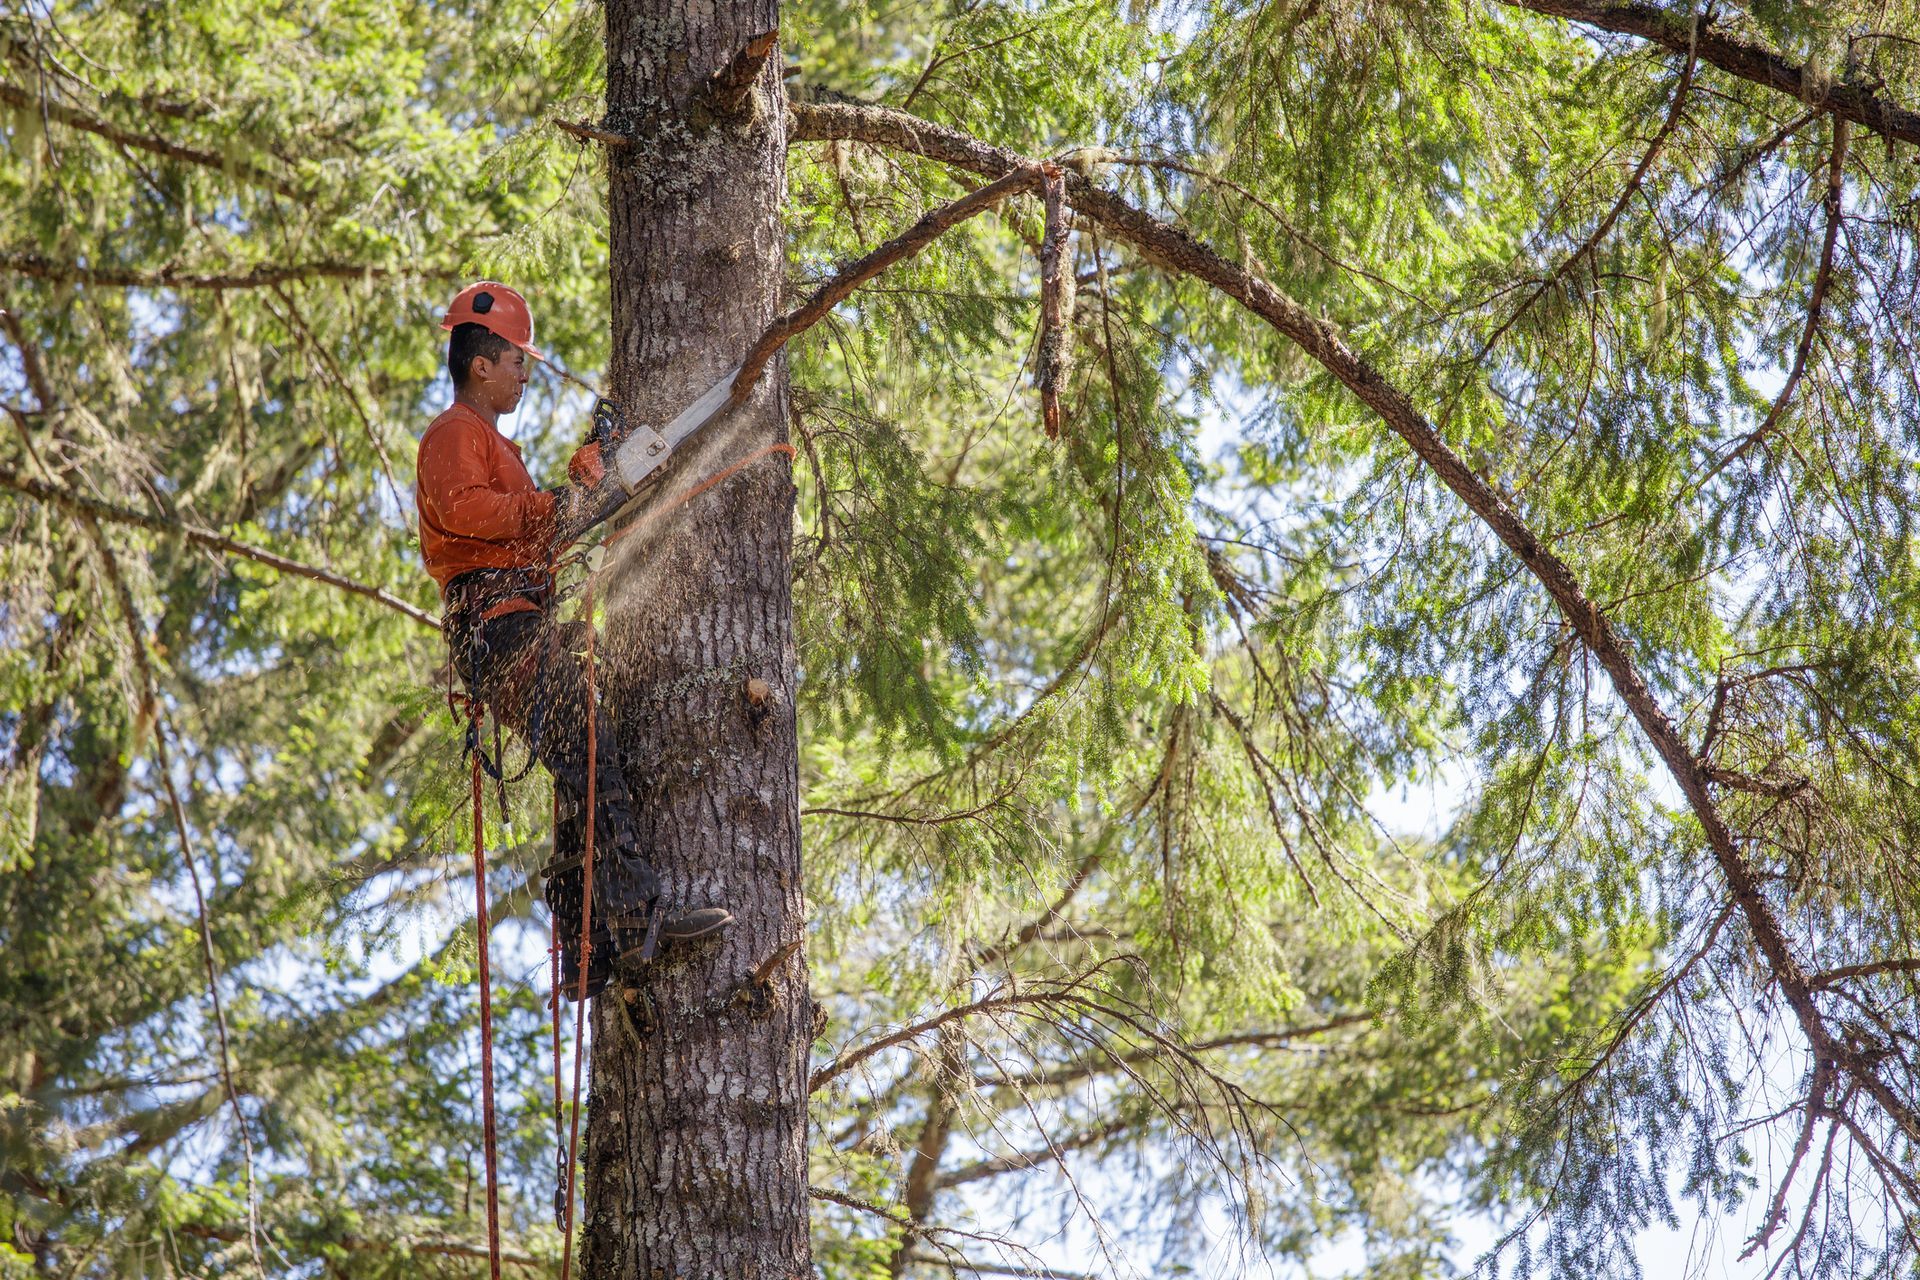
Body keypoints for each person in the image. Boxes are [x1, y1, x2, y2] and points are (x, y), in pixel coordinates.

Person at [415, 281, 731, 1000]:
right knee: (588, 751)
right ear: (480, 366)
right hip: (498, 628)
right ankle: (633, 917)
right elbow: (470, 512)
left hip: (510, 623)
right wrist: (558, 504)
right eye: (516, 362)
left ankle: (585, 952)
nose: (526, 374)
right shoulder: (455, 434)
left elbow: (521, 529)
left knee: (575, 757)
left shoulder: (492, 444)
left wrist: (579, 491)